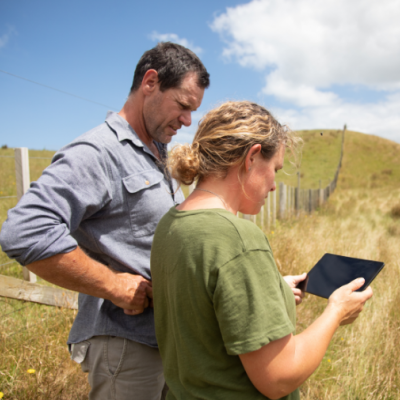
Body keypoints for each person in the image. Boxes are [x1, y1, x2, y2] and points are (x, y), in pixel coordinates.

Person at [0, 42, 210, 400]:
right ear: (150, 82)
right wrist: (113, 285)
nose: (188, 120)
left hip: (163, 341)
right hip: (125, 347)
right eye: (183, 105)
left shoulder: (156, 156)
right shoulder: (98, 152)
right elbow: (25, 230)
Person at [150, 101, 373, 400]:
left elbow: (205, 311)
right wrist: (336, 311)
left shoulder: (171, 224)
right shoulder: (239, 240)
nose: (274, 186)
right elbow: (279, 378)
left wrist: (275, 291)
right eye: (275, 169)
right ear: (252, 157)